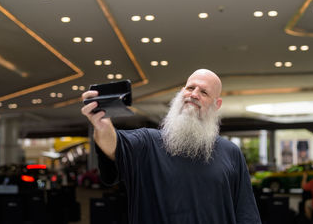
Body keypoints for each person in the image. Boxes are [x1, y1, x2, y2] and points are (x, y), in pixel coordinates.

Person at [81, 69, 261, 224]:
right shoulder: (148, 142)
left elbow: (246, 213)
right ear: (182, 92)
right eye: (190, 88)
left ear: (217, 105)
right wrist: (103, 126)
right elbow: (114, 146)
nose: (194, 94)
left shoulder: (231, 153)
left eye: (204, 92)